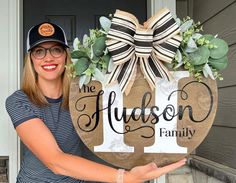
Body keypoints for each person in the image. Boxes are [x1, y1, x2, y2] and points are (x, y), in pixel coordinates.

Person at [5, 22, 186, 183]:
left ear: (65, 56)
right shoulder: (19, 101)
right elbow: (55, 161)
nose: (48, 58)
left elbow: (127, 84)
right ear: (31, 60)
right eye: (39, 51)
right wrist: (125, 178)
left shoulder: (86, 93)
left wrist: (144, 37)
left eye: (56, 49)